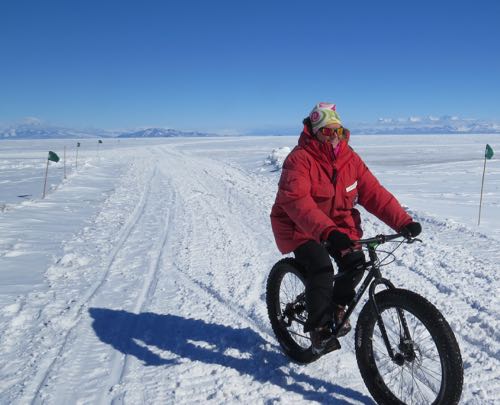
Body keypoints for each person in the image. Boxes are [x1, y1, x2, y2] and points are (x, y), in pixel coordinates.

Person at [270, 102, 422, 355]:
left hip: (337, 228)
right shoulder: (299, 159)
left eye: (338, 131)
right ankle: (318, 329)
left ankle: (337, 306)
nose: (333, 137)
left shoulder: (349, 158)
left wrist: (403, 221)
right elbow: (298, 202)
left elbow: (375, 193)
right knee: (321, 267)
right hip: (298, 226)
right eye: (327, 132)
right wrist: (327, 232)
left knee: (356, 262)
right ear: (314, 132)